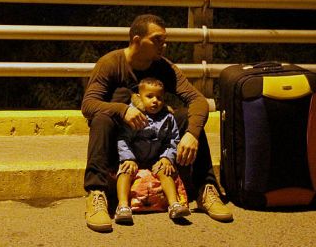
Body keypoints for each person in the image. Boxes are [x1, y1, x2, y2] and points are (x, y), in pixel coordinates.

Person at [82, 14, 233, 233]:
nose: (164, 44)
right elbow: (88, 105)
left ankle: (205, 189)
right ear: (136, 40)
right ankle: (96, 193)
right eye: (157, 40)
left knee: (186, 117)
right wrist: (122, 110)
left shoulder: (164, 67)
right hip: (121, 147)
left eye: (164, 39)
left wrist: (191, 133)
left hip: (158, 144)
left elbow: (198, 100)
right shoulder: (111, 63)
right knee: (101, 119)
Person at [115, 77, 190, 224]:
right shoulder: (134, 116)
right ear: (139, 97)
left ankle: (174, 204)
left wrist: (167, 158)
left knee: (166, 171)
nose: (155, 101)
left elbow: (172, 140)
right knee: (124, 172)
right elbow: (123, 138)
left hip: (156, 158)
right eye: (149, 97)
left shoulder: (168, 118)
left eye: (159, 97)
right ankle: (123, 206)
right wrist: (128, 158)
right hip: (134, 158)